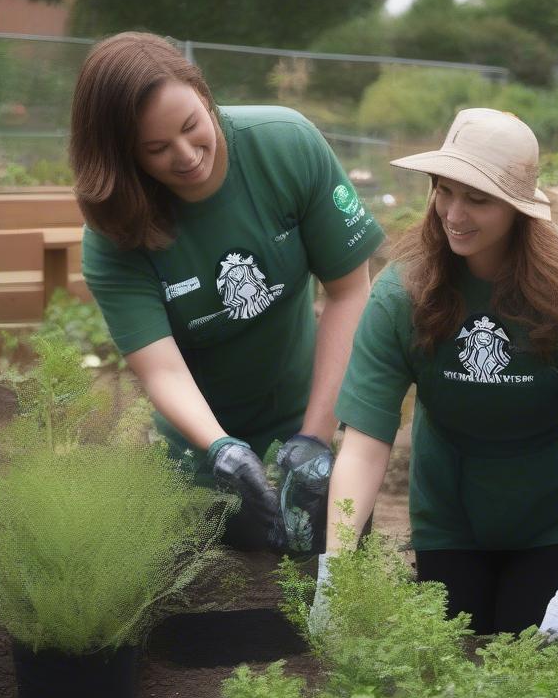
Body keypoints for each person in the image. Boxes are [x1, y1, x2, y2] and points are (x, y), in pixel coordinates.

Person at [313, 108, 558, 642]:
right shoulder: (402, 291)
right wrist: (335, 566)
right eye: (443, 190)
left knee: (537, 670)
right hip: (452, 507)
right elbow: (364, 441)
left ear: (519, 207)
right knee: (453, 661)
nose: (454, 213)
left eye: (478, 198)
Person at [71, 33, 384, 552]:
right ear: (123, 155)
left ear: (202, 93)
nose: (187, 155)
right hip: (202, 447)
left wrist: (315, 438)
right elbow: (160, 367)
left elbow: (350, 292)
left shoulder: (285, 145)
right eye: (156, 148)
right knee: (224, 580)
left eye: (193, 126)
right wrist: (220, 449)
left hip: (304, 411)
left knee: (333, 553)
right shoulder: (114, 233)